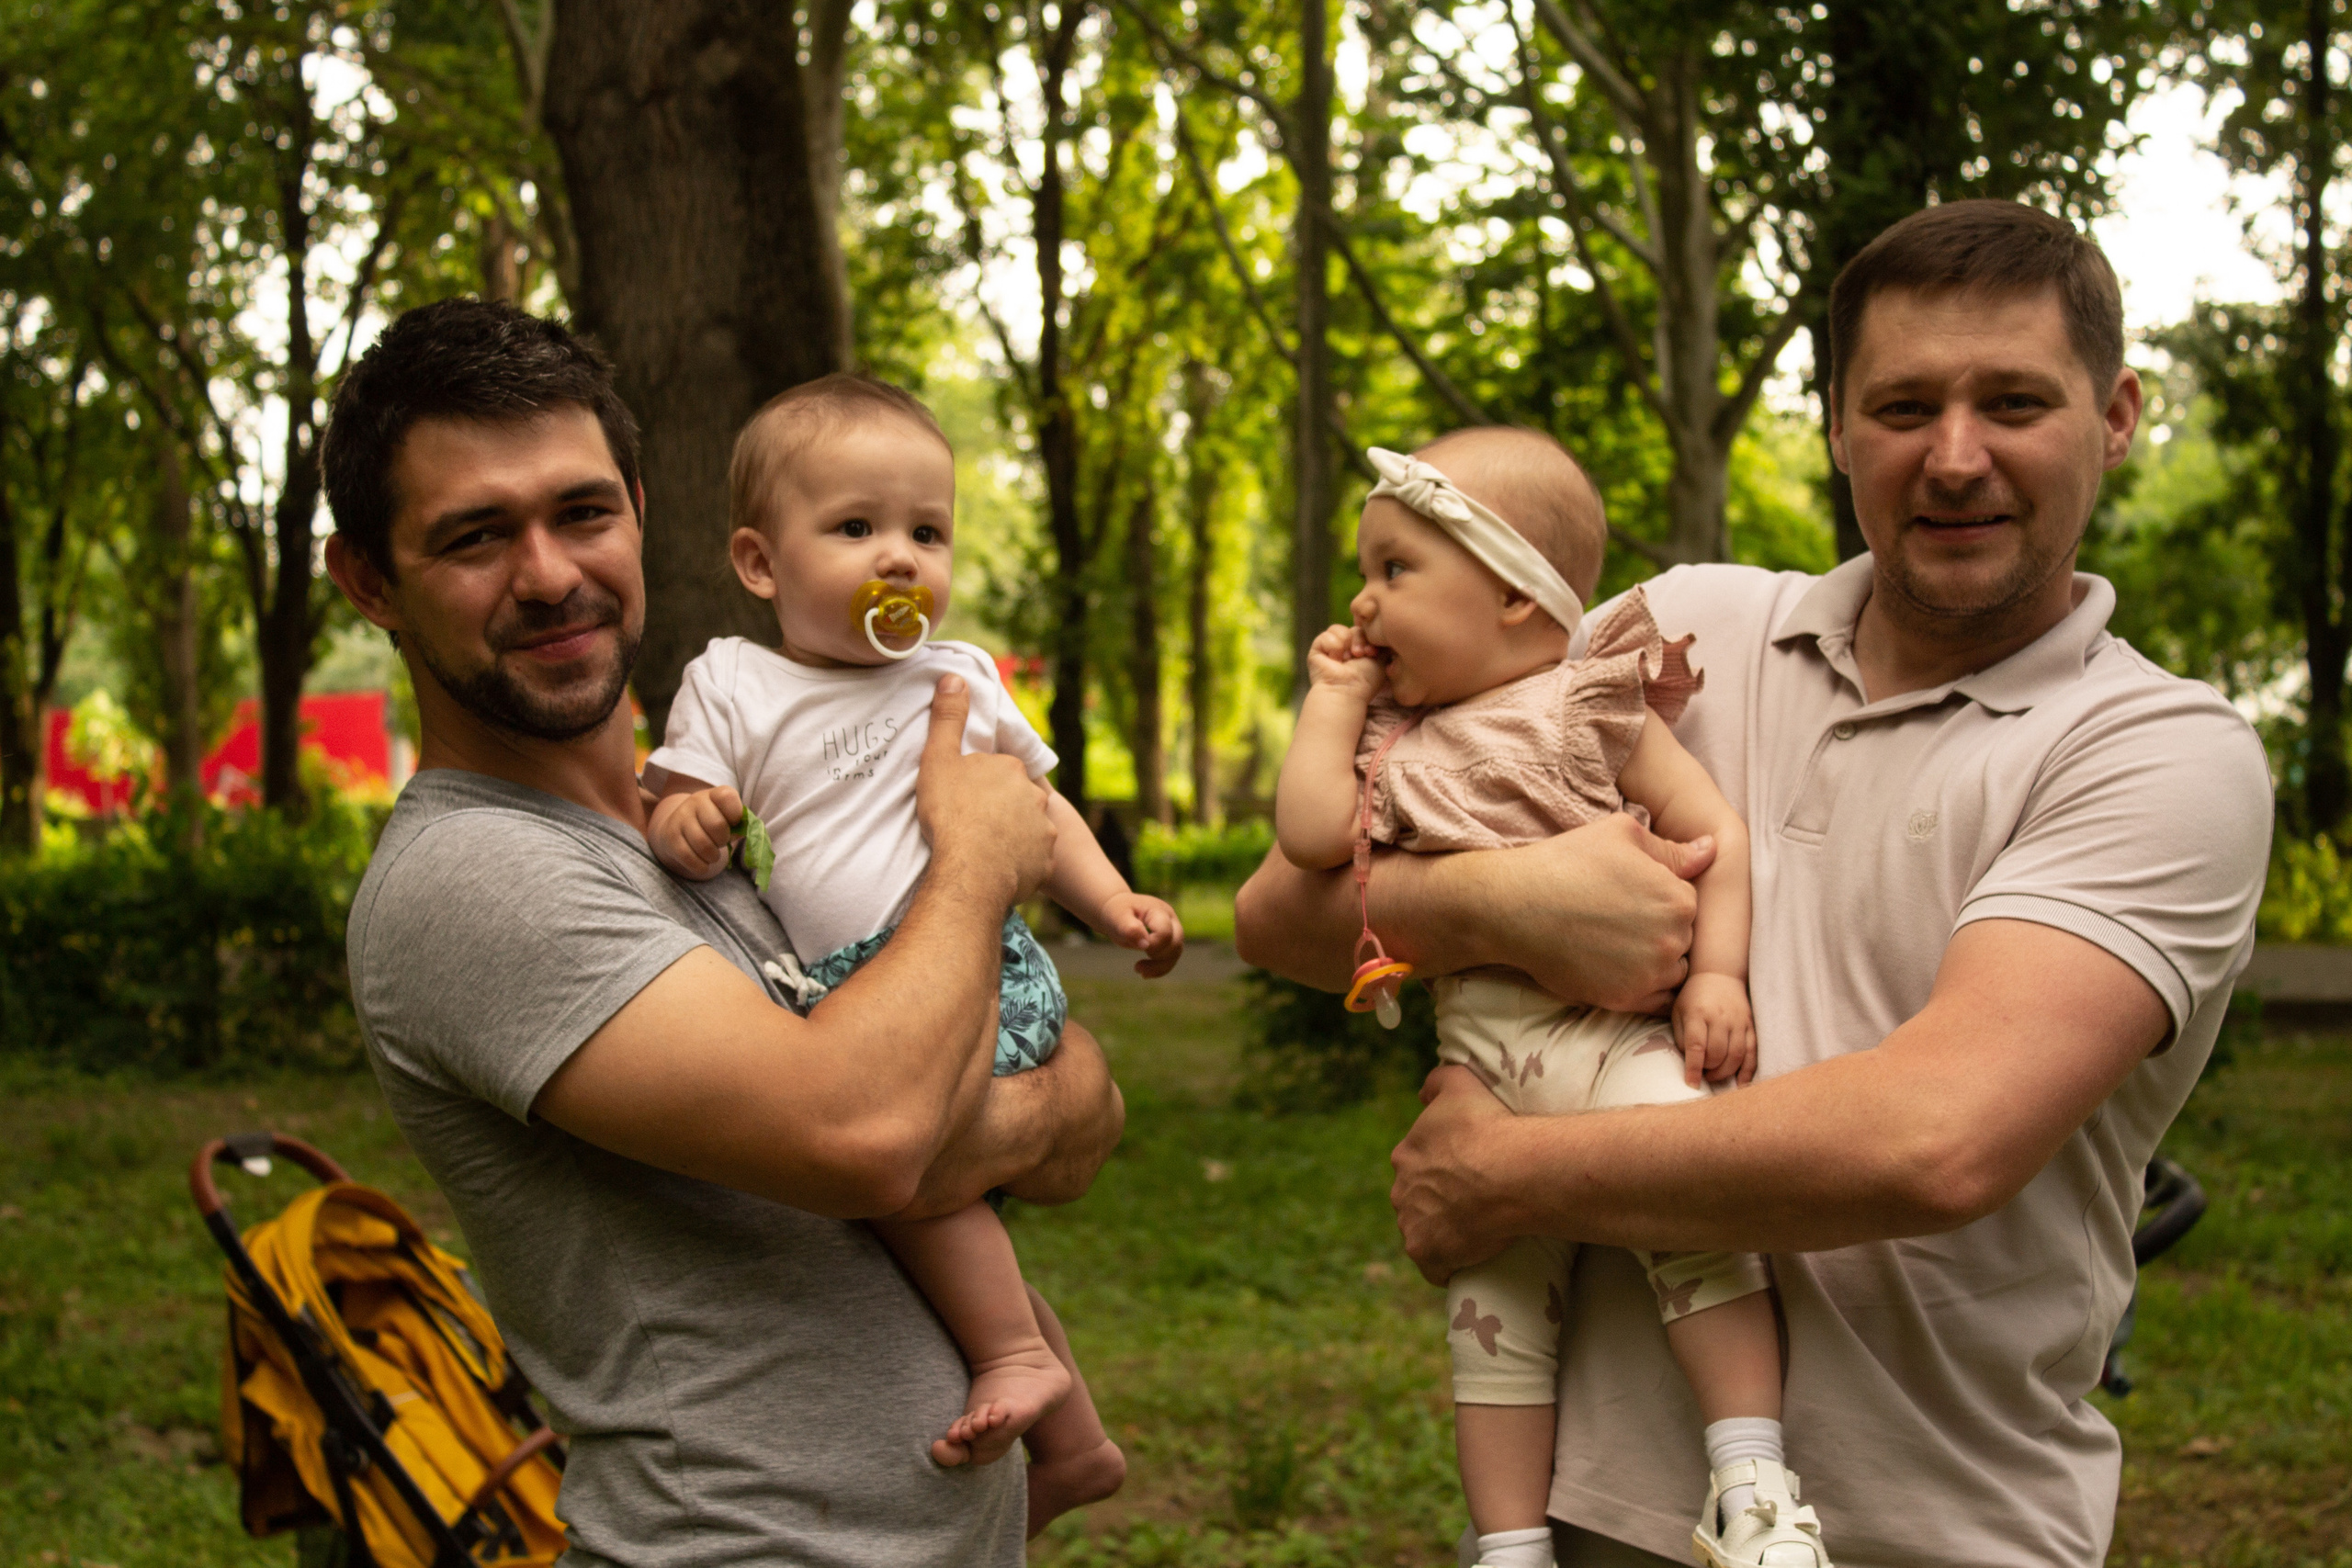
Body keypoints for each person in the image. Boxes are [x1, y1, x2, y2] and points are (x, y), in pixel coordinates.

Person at [1234, 198, 2273, 1568]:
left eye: (2013, 400)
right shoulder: (1690, 632)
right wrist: (1501, 905)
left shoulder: (2160, 753)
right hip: (1595, 1513)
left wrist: (1509, 1174)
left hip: (1936, 1528)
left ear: (2119, 413)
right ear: (1839, 424)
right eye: (1903, 406)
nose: (1955, 457)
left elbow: (1937, 1135)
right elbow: (1277, 916)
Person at [320, 298, 1125, 1567]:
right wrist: (976, 862)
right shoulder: (475, 878)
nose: (548, 573)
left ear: (639, 510)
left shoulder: (714, 831)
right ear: (368, 578)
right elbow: (867, 1131)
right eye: (475, 535)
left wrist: (969, 1111)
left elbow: (1083, 1109)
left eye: (581, 511)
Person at [1273, 429, 1829, 1568]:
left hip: (1611, 1046)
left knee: (1696, 1213)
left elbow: (1710, 831)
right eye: (1363, 571)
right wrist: (1330, 704)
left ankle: (1752, 1481)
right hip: (1483, 1078)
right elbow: (1308, 841)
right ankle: (1510, 1544)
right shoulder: (1386, 738)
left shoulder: (1588, 705)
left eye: (1395, 571)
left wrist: (1714, 973)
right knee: (1493, 1320)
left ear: (1519, 602)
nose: (1361, 603)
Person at [643, 373, 1175, 1498]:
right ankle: (1073, 1445)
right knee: (926, 1210)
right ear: (758, 562)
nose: (900, 559)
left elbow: (1038, 809)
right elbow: (677, 796)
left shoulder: (959, 674)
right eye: (855, 528)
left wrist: (1111, 900)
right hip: (854, 990)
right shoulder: (734, 684)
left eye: (925, 533)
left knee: (901, 1184)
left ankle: (1017, 1359)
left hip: (982, 966)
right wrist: (687, 818)